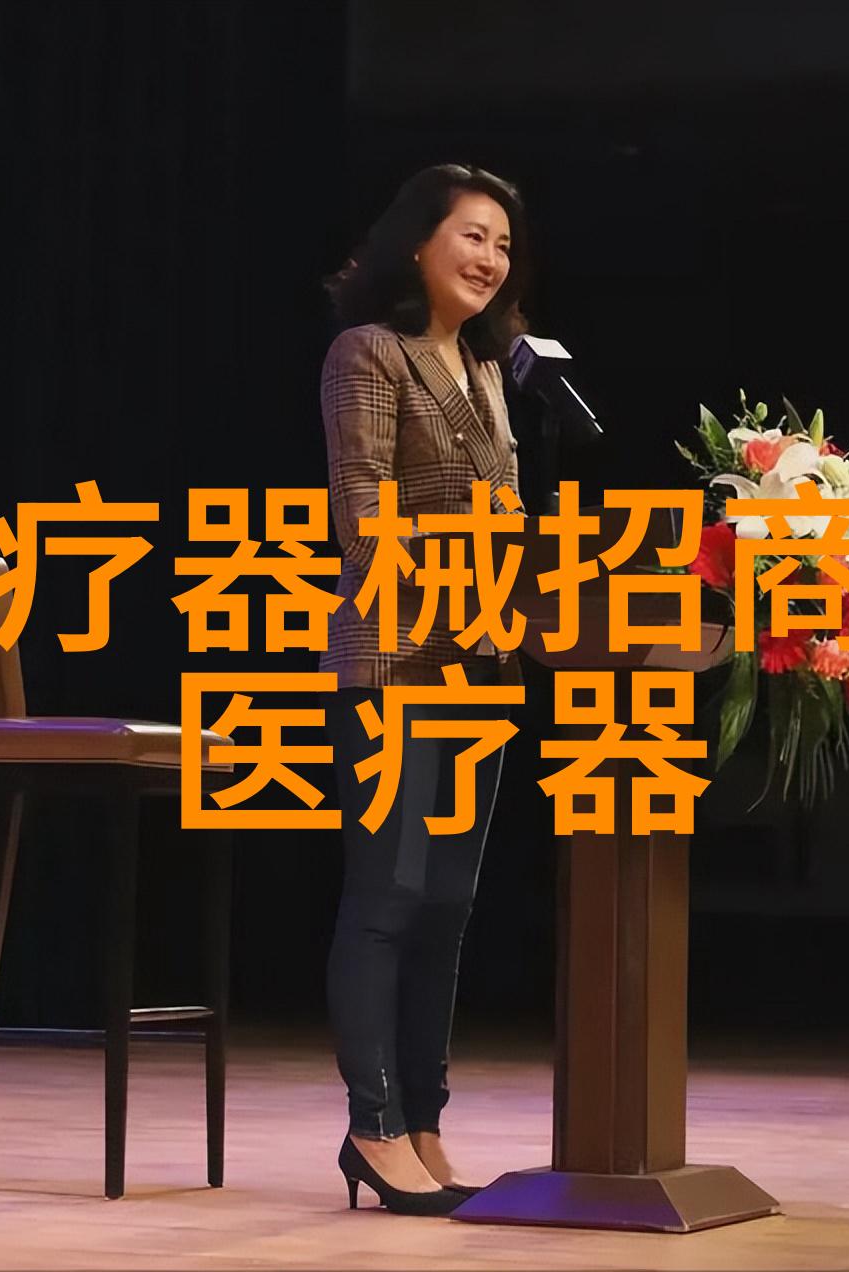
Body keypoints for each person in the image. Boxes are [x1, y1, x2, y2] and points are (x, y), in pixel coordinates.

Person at [318, 163, 531, 1216]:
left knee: (448, 905)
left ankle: (426, 1124)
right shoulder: (370, 351)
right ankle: (373, 1126)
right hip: (396, 657)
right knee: (390, 895)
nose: (490, 258)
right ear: (417, 242)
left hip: (480, 664)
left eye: (503, 243)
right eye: (472, 235)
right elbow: (364, 515)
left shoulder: (490, 370)